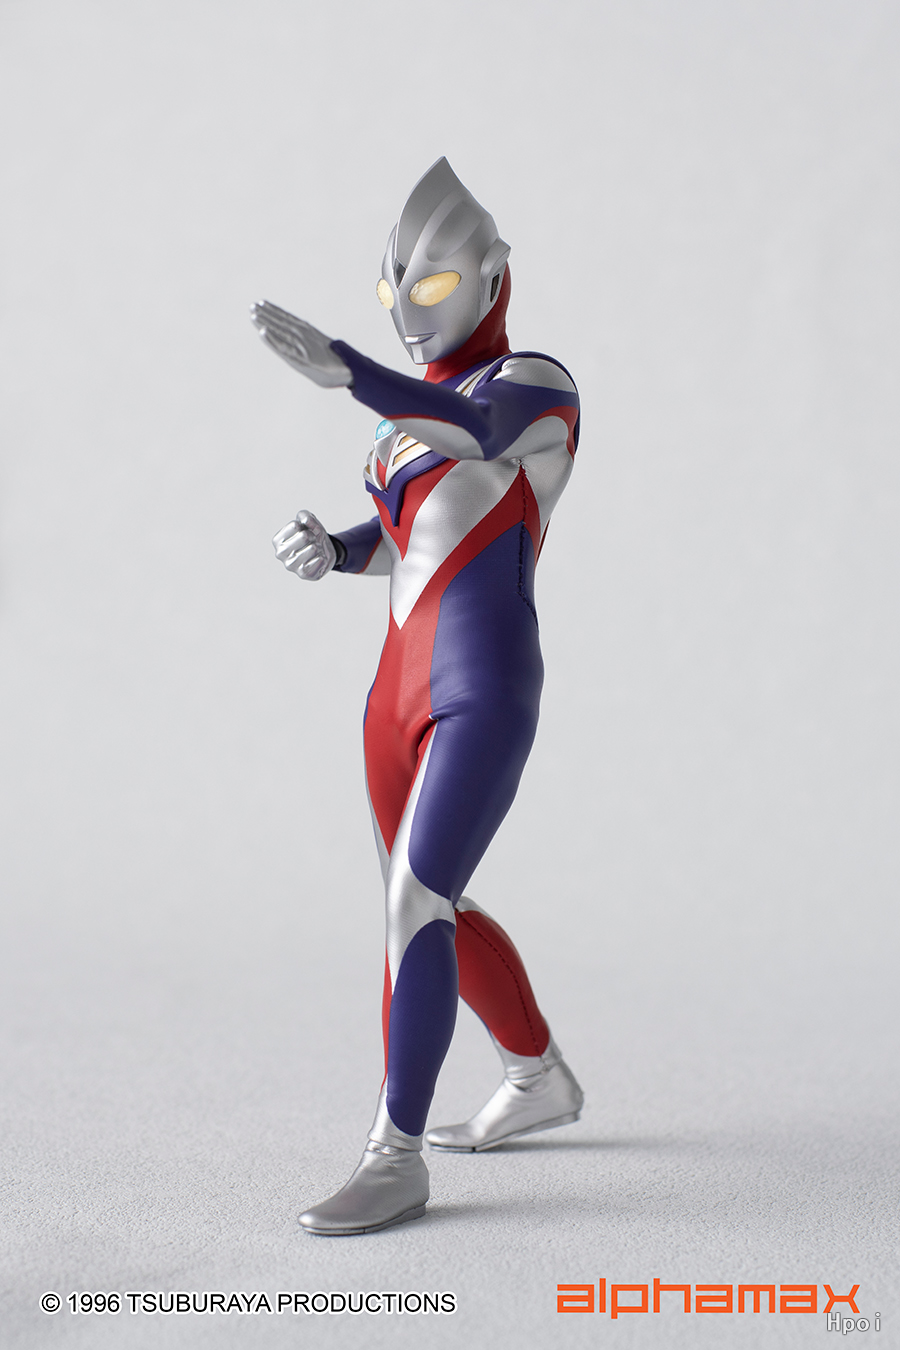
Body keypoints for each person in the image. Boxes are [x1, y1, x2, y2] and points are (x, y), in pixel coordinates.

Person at [252, 158, 583, 1235]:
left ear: (492, 276)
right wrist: (334, 548)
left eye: (433, 287)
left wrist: (350, 371)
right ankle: (537, 1075)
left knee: (415, 899)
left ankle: (393, 1157)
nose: (408, 314)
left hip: (482, 681)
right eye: (392, 292)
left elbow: (479, 441)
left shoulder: (533, 384)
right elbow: (407, 536)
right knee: (423, 901)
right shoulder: (400, 421)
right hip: (395, 686)